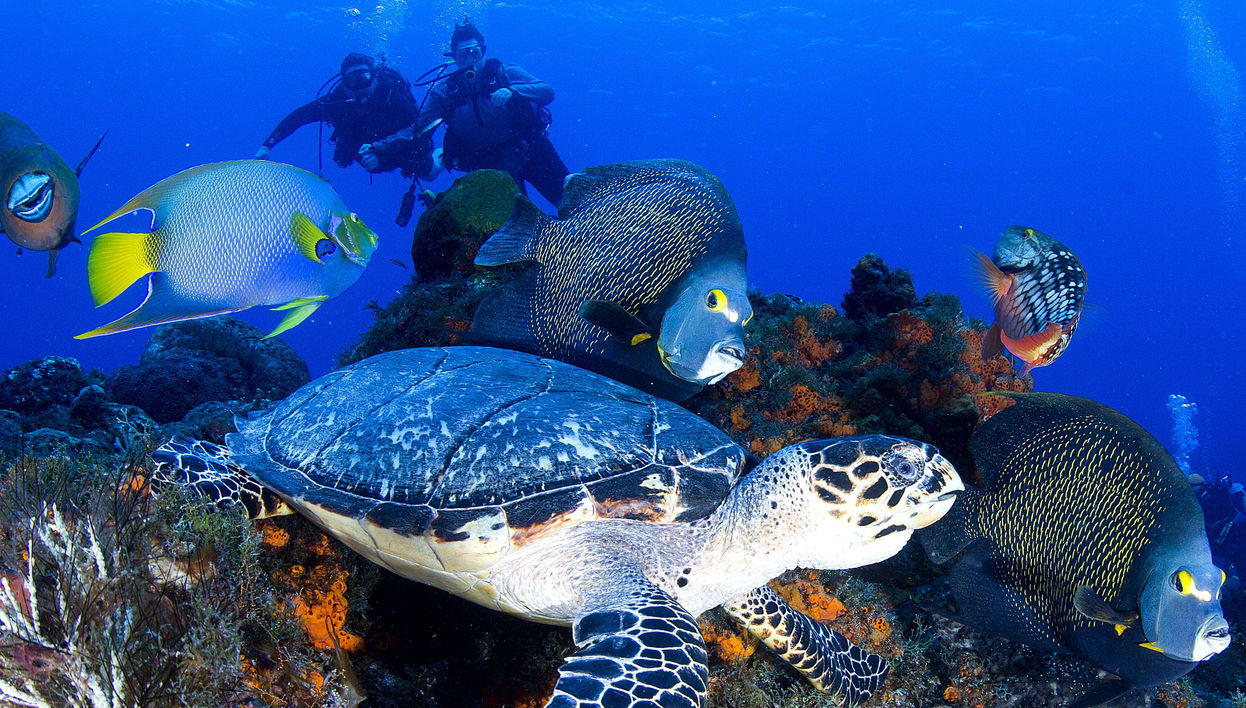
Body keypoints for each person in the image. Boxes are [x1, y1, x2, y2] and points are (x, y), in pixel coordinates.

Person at [370, 20, 569, 205]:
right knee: (513, 234)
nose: (470, 60)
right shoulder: (445, 92)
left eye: (474, 52)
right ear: (454, 58)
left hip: (531, 152)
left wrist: (513, 91)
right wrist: (378, 147)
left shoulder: (504, 72)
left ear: (483, 51)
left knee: (572, 206)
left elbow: (546, 90)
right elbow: (417, 129)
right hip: (491, 168)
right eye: (462, 55)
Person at [255, 53, 430, 176]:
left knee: (426, 171)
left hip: (403, 145)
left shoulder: (394, 98)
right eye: (352, 81)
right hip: (365, 147)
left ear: (375, 78)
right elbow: (298, 117)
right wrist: (267, 146)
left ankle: (440, 159)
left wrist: (383, 161)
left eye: (364, 77)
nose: (359, 86)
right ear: (344, 84)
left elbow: (420, 133)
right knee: (354, 157)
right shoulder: (334, 103)